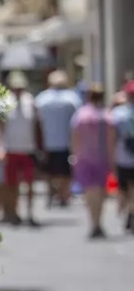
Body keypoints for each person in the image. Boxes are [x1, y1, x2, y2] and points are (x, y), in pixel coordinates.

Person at [0, 70, 41, 226]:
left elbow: (36, 125)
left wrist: (40, 146)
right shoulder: (4, 103)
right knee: (11, 183)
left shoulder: (30, 101)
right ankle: (13, 212)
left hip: (28, 149)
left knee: (29, 182)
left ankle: (30, 211)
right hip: (11, 148)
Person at [70, 83, 116, 239]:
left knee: (89, 192)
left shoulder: (80, 115)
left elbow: (75, 138)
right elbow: (111, 141)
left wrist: (75, 156)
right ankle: (98, 222)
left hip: (84, 159)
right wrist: (112, 159)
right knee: (101, 192)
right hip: (101, 158)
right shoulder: (107, 116)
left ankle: (93, 222)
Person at [34, 70, 82, 207]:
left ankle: (52, 192)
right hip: (66, 142)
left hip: (47, 142)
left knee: (49, 171)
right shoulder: (72, 98)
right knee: (66, 172)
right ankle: (64, 195)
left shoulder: (42, 99)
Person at [109, 89, 134, 233]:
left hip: (123, 157)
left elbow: (111, 138)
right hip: (125, 156)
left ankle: (127, 211)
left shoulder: (118, 113)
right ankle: (131, 212)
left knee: (124, 189)